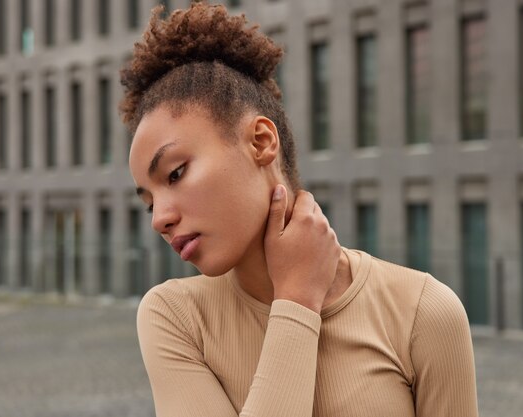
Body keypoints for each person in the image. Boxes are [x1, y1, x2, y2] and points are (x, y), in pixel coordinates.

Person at [120, 3, 479, 416]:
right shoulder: (175, 319)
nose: (159, 218)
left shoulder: (423, 313)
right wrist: (296, 299)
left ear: (260, 142)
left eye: (176, 173)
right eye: (148, 201)